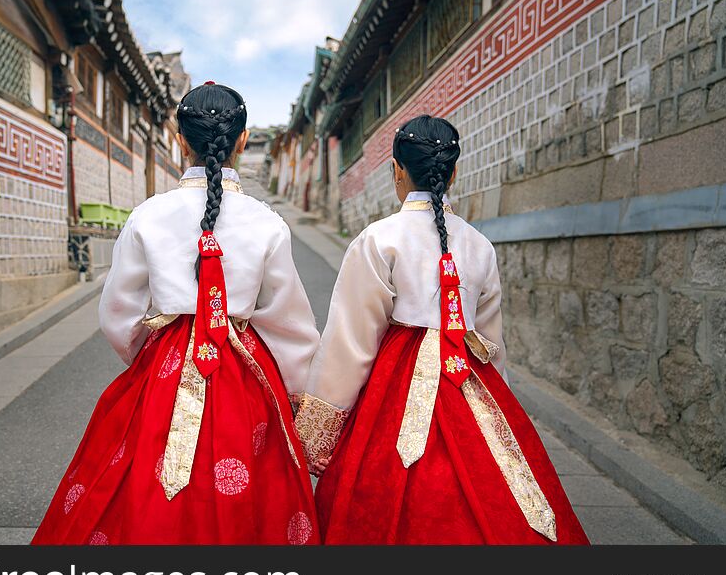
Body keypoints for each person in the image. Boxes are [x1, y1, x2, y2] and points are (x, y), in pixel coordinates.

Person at [33, 83, 320, 545]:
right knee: (254, 487)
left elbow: (118, 313)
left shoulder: (148, 215)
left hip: (166, 365)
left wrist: (144, 358)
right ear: (243, 140)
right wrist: (293, 387)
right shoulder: (267, 222)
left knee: (136, 475)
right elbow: (290, 322)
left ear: (179, 140)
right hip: (244, 367)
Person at [294, 115, 588, 545]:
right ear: (453, 172)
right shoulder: (479, 245)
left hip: (395, 383)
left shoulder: (379, 240)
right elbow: (491, 342)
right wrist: (497, 402)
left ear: (397, 170)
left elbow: (352, 341)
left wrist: (319, 427)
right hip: (468, 379)